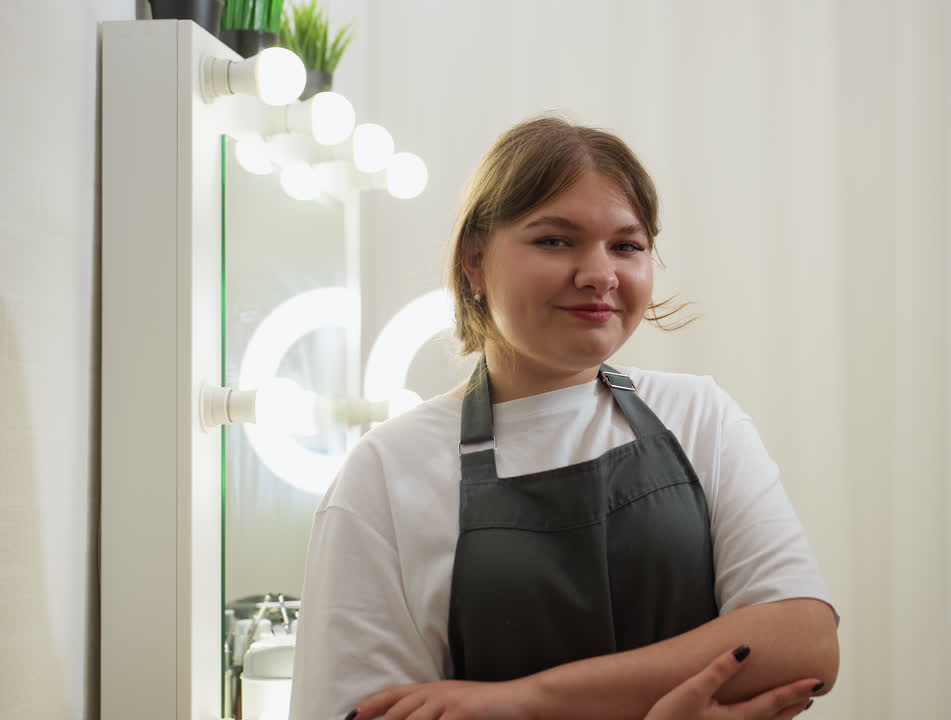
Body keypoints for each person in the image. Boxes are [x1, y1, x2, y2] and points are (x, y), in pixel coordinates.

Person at [289, 116, 839, 720]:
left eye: (627, 246)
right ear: (475, 260)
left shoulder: (699, 415)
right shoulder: (387, 470)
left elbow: (805, 642)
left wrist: (522, 701)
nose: (600, 274)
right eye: (555, 240)